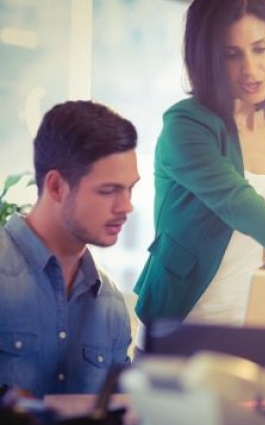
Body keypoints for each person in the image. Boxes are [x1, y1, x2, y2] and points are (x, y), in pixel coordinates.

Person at [133, 0, 265, 330]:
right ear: (206, 58)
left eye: (260, 48)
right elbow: (241, 206)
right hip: (181, 325)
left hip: (261, 330)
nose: (250, 69)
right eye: (231, 55)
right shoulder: (185, 125)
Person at [0, 100, 138, 397]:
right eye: (108, 190)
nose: (126, 206)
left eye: (130, 189)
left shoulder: (111, 303)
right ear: (56, 187)